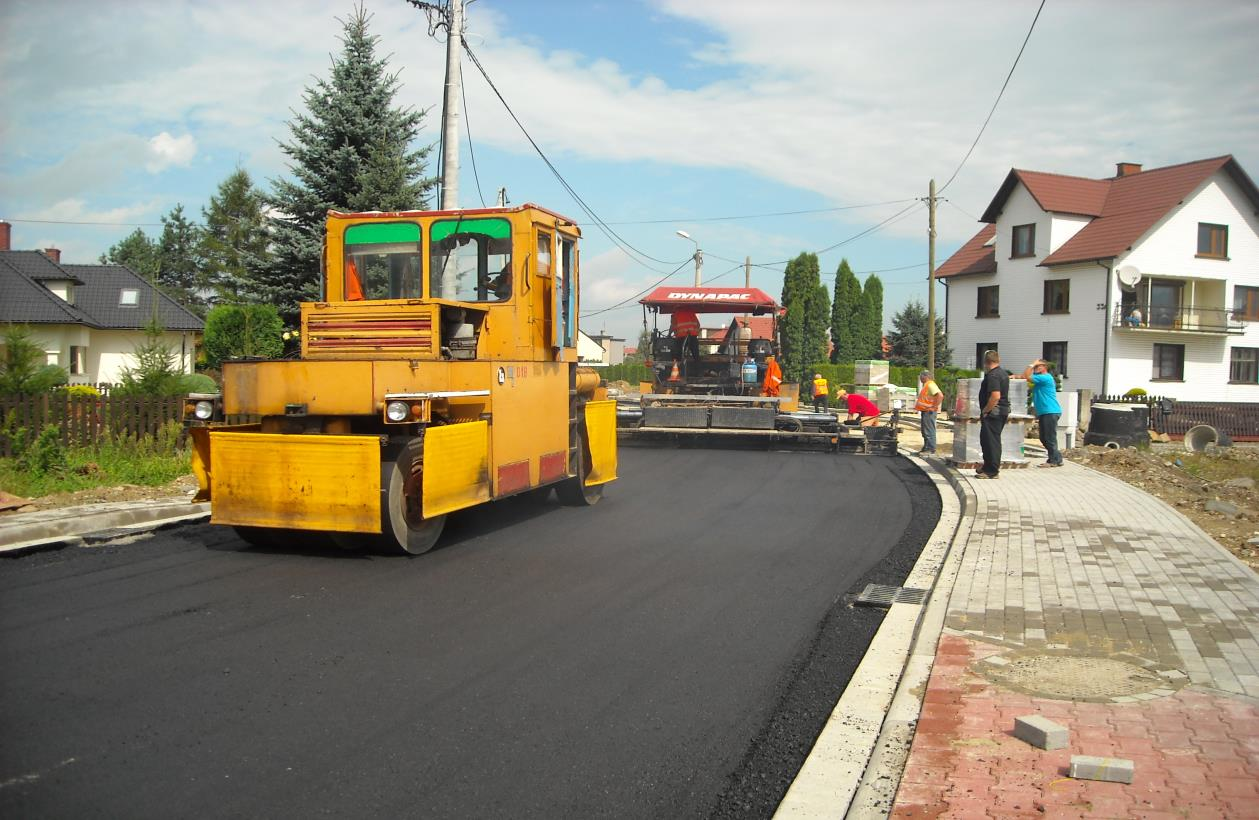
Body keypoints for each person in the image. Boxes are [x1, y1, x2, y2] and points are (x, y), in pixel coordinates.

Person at [976, 349, 1010, 479]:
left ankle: (992, 470)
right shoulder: (1003, 373)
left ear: (986, 362)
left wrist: (985, 410)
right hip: (1000, 411)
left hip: (993, 413)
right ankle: (987, 465)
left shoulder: (993, 375)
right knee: (987, 440)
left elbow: (995, 396)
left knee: (991, 441)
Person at [1022, 359, 1063, 467]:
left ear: (1044, 367)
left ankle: (1053, 461)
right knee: (1044, 438)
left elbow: (1026, 376)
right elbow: (1024, 377)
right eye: (1035, 367)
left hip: (1050, 411)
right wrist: (1015, 377)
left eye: (1037, 366)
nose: (1035, 368)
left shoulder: (1045, 377)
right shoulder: (1040, 379)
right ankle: (1057, 458)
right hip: (1046, 412)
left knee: (1049, 437)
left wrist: (1031, 364)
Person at [915, 369, 943, 455]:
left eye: (921, 376)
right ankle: (926, 448)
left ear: (925, 376)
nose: (920, 378)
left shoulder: (930, 385)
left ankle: (930, 449)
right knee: (925, 431)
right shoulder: (927, 385)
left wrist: (934, 407)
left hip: (929, 412)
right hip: (925, 411)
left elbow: (940, 395)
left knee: (929, 431)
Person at [670, 309, 701, 375]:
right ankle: (698, 373)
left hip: (681, 337)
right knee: (696, 356)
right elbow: (698, 325)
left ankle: (678, 371)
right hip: (693, 336)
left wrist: (669, 334)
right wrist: (696, 332)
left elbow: (672, 326)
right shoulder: (692, 312)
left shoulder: (676, 314)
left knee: (677, 354)